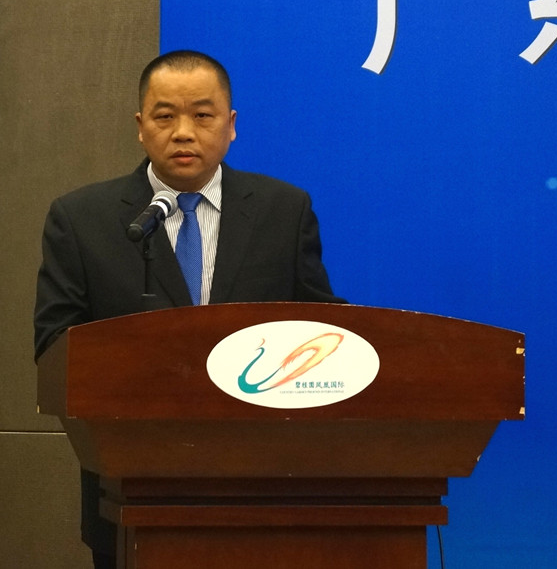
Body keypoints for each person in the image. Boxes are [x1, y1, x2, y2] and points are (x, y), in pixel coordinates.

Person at [33, 50, 344, 568]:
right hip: (130, 491)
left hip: (261, 488)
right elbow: (54, 347)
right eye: (165, 116)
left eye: (202, 115)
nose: (183, 132)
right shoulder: (81, 219)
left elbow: (322, 329)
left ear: (231, 124)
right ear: (140, 126)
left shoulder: (284, 212)